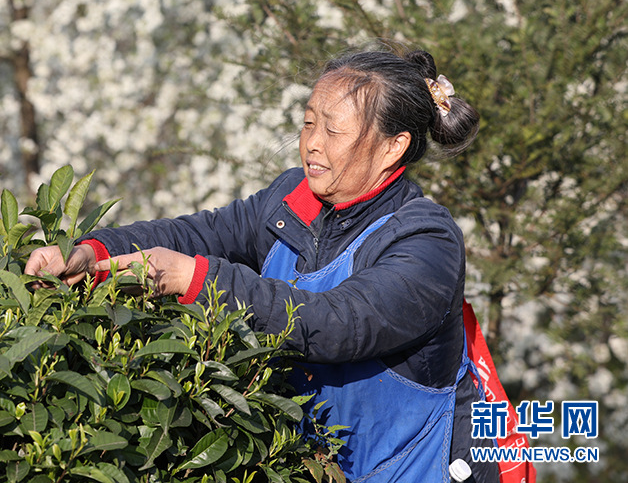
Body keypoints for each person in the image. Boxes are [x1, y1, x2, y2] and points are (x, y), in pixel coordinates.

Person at [24, 47, 500, 482]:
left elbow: (338, 323)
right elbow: (197, 233)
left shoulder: (426, 240)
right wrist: (92, 252)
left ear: (393, 147)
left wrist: (193, 279)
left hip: (418, 468)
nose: (312, 142)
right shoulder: (292, 199)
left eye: (333, 130)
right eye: (309, 123)